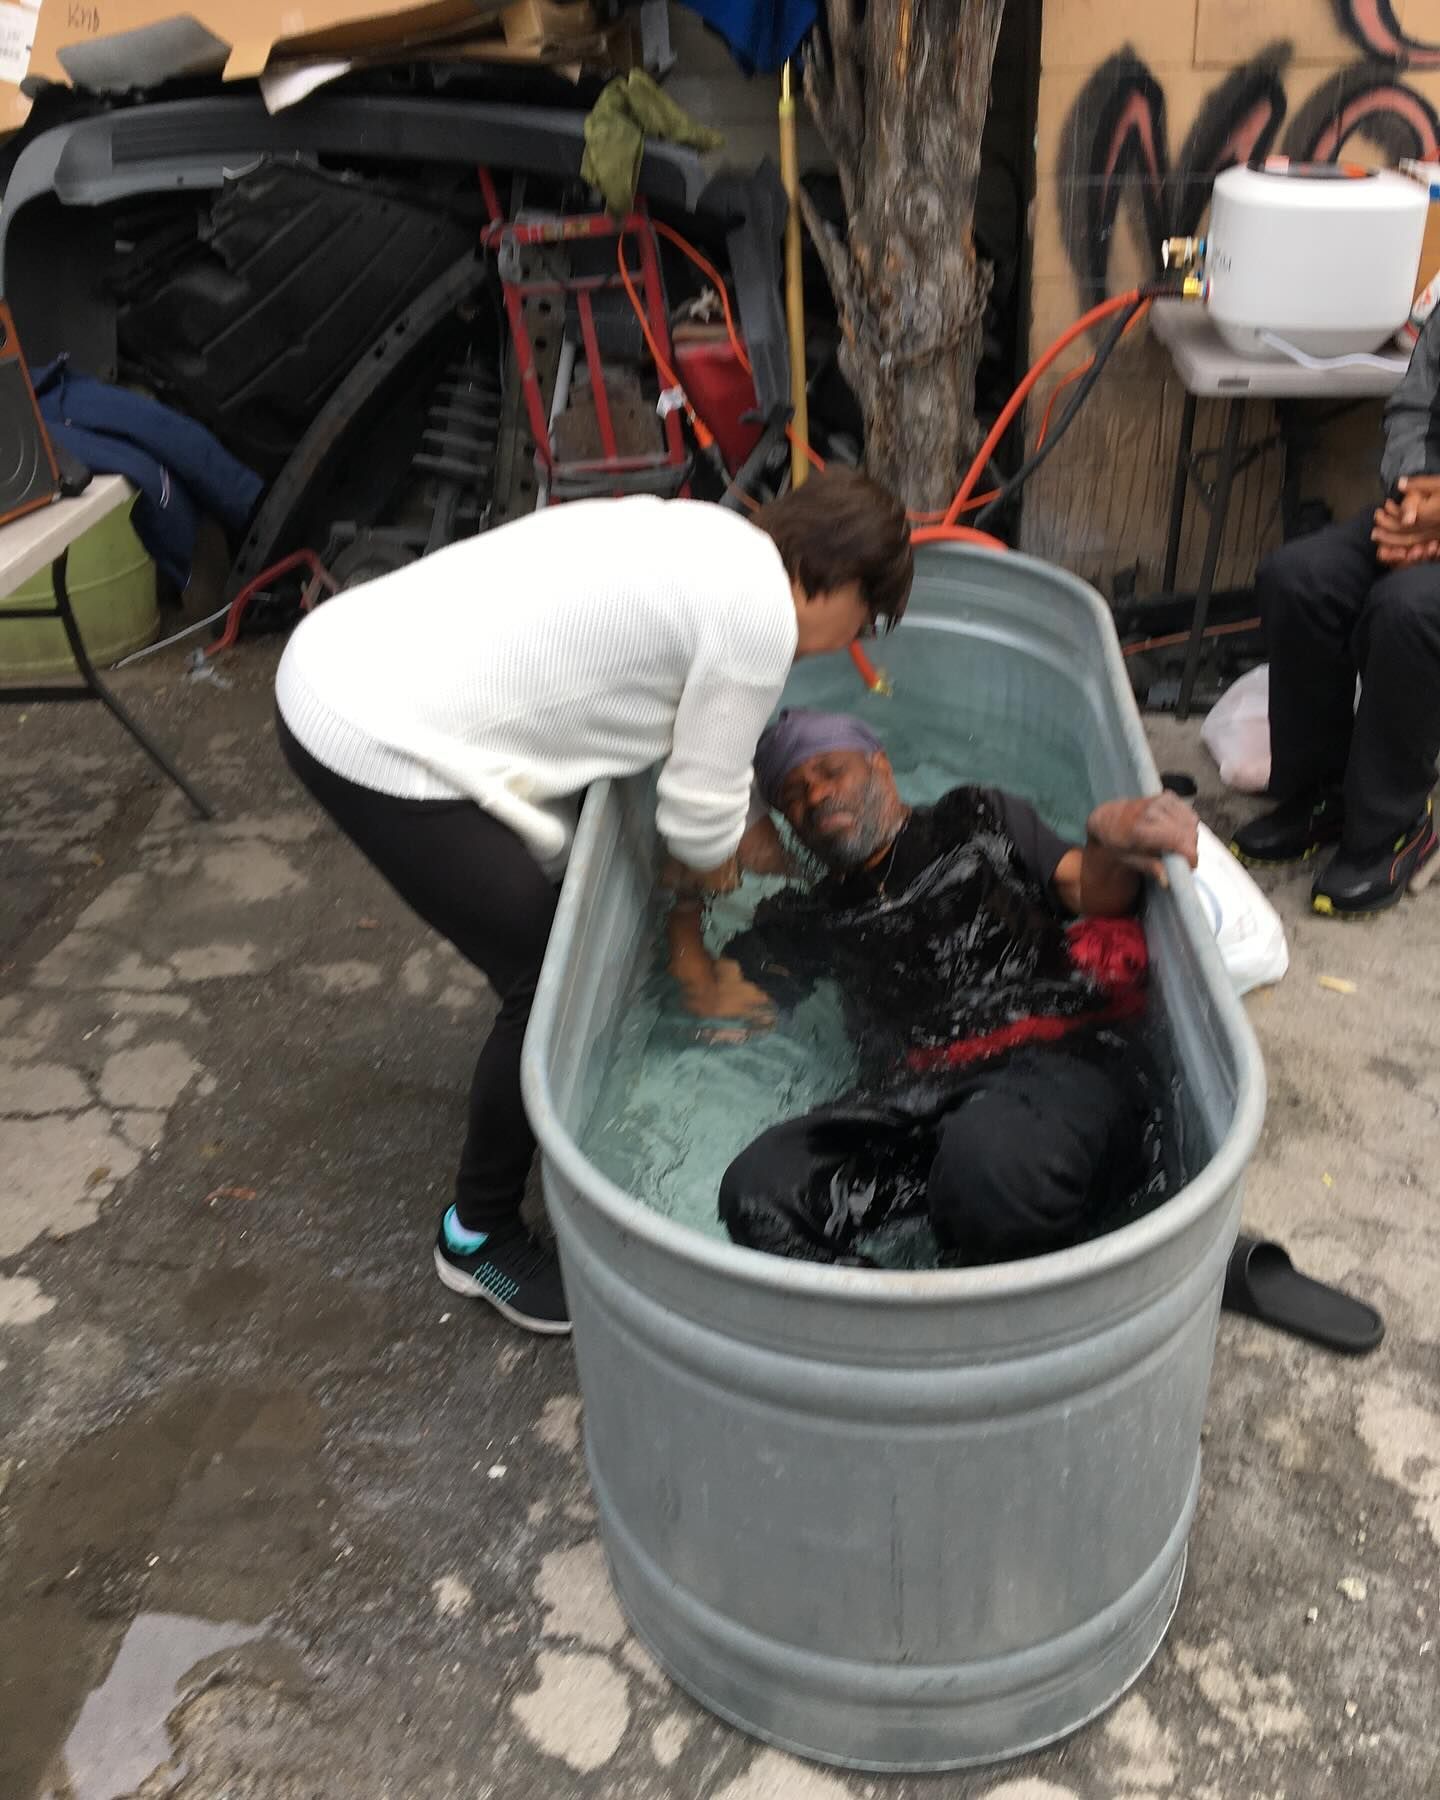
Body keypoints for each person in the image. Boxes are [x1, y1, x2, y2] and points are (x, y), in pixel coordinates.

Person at [275, 472, 912, 1333]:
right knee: (545, 982)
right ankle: (477, 1234)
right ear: (841, 583)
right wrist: (725, 870)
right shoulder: (761, 618)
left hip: (348, 649)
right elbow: (695, 822)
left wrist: (739, 828)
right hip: (368, 733)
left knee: (544, 912)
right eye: (864, 625)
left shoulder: (715, 537)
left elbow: (679, 736)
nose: (847, 645)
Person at [665, 710, 1199, 1268]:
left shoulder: (974, 818)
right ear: (789, 824)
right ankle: (888, 1306)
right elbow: (717, 1003)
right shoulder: (804, 916)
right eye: (793, 796)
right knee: (760, 1191)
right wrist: (685, 899)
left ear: (880, 767)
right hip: (913, 1100)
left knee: (990, 1163)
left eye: (831, 771)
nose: (816, 796)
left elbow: (1093, 891)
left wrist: (1105, 837)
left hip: (1051, 1061)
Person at [1230, 308, 1440, 916]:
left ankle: (1393, 826)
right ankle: (1321, 794)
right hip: (1424, 511)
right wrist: (1414, 498)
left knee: (1407, 611)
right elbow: (1415, 409)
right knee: (1299, 580)